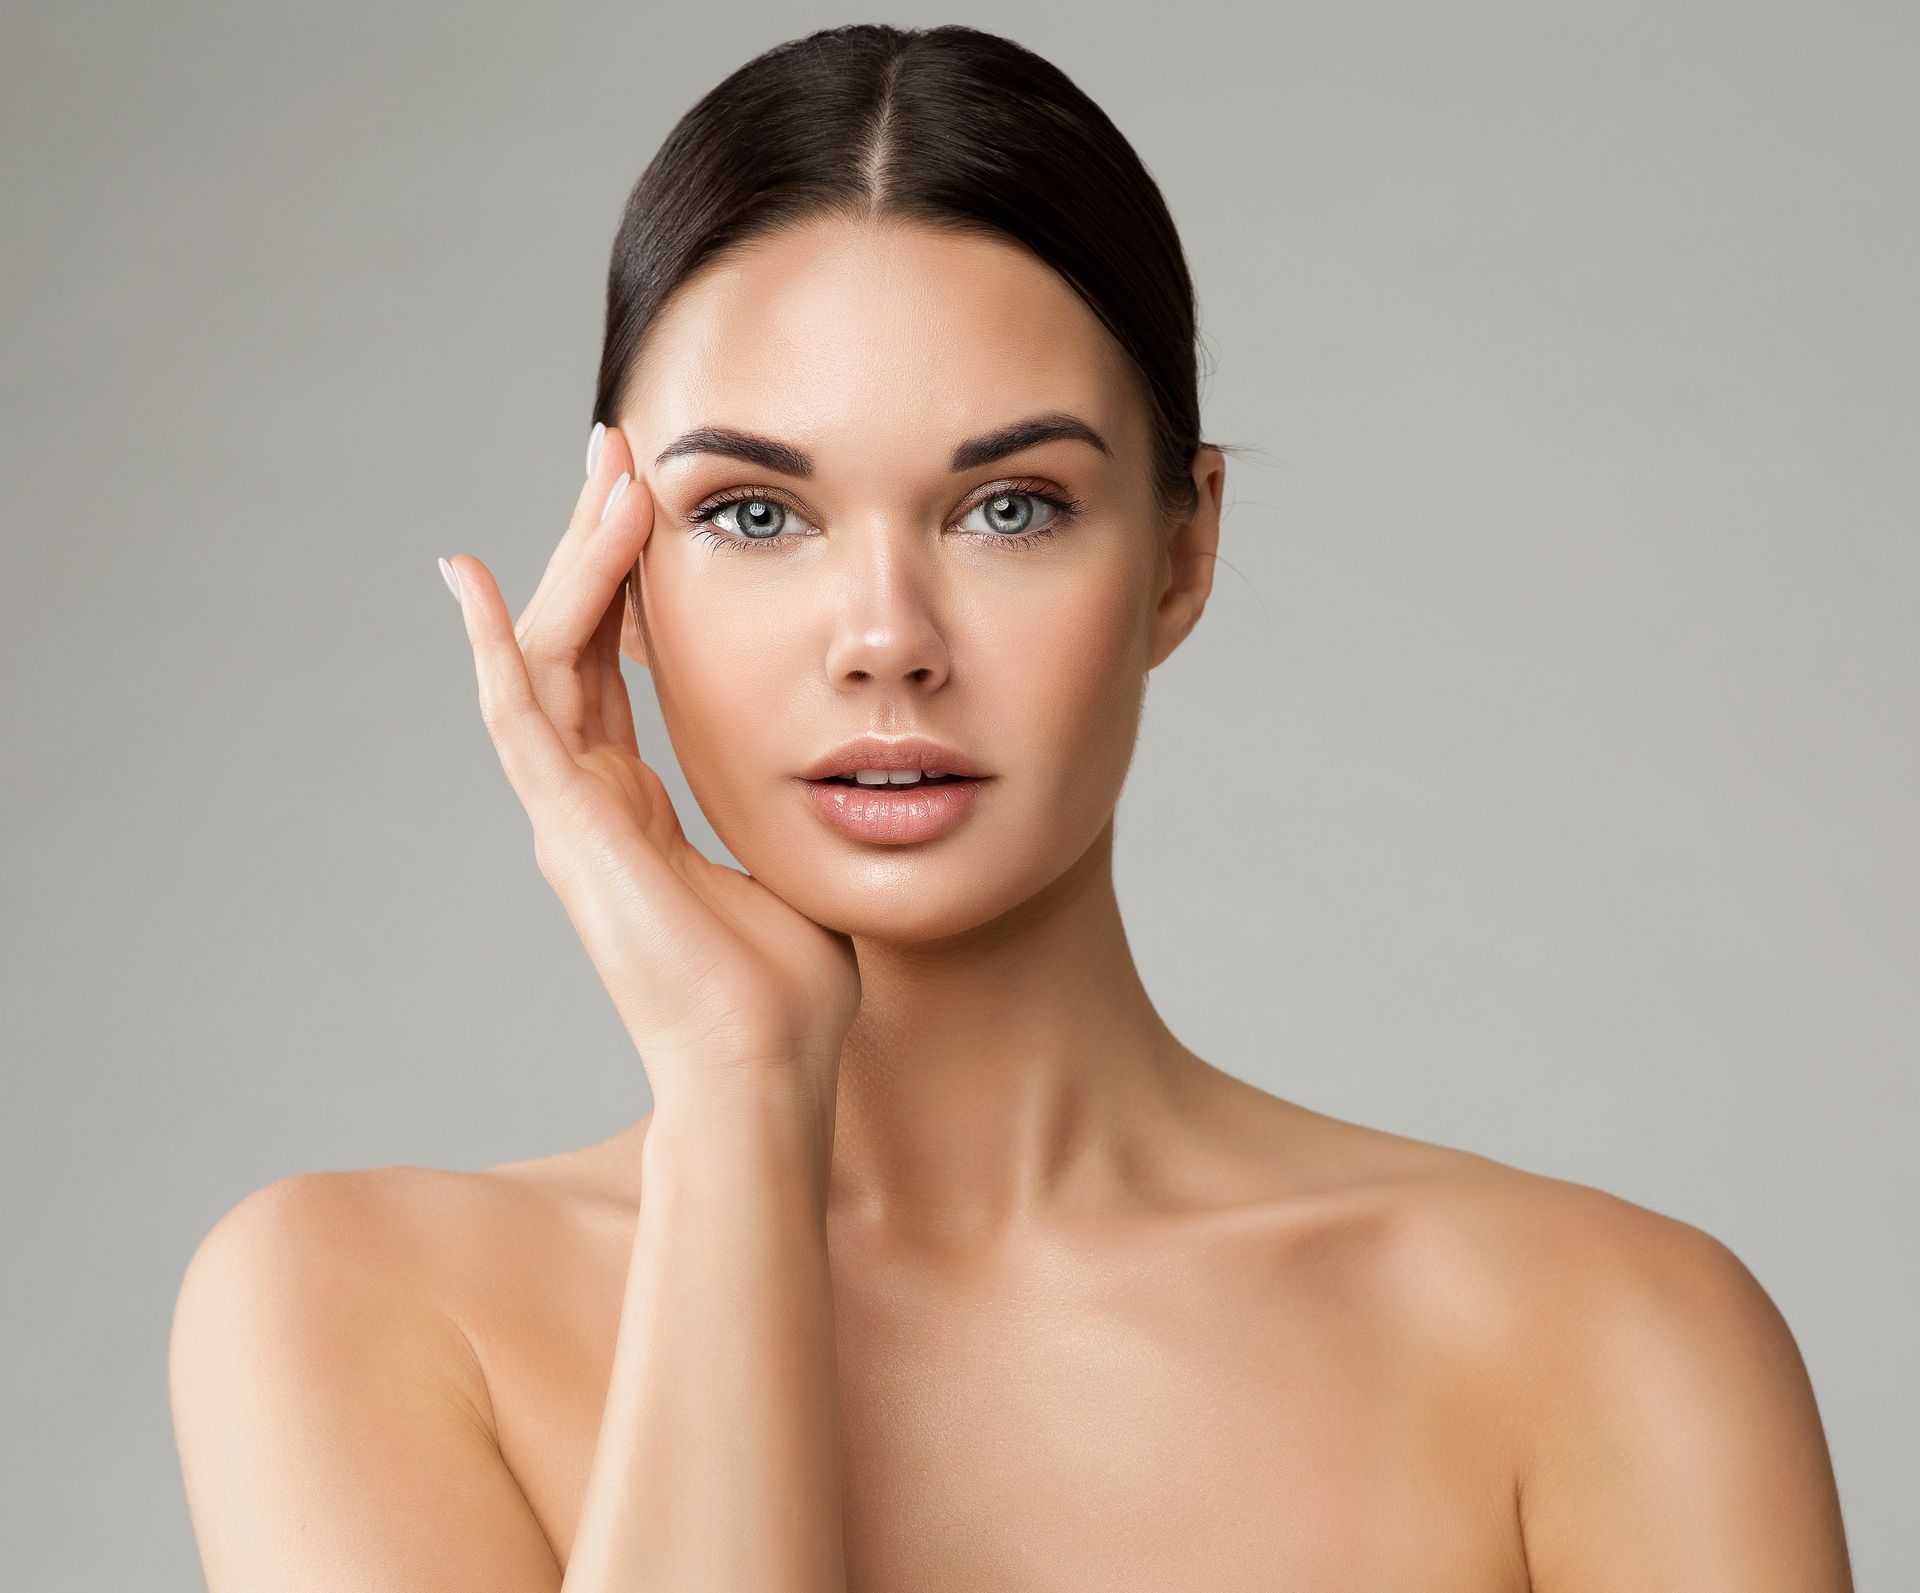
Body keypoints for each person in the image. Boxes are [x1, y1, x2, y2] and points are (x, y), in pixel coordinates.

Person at [167, 22, 1854, 1591]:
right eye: (756, 515)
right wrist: (741, 1087)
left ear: (1184, 550)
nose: (886, 639)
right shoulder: (356, 1311)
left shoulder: (1609, 1341)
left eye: (1010, 507)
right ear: (620, 574)